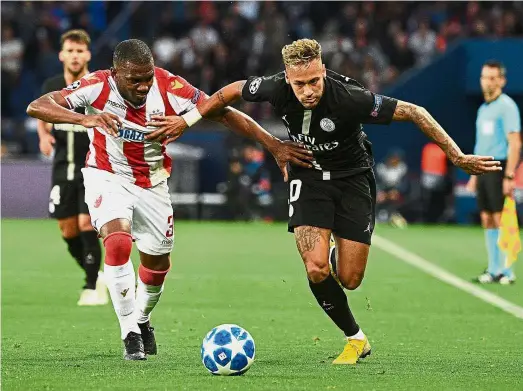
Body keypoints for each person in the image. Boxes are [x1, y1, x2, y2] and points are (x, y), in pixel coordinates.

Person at [142, 38, 501, 364]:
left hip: (353, 179)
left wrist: (457, 157)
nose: (309, 91)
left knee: (350, 278)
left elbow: (416, 112)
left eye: (314, 81)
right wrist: (187, 121)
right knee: (315, 268)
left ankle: (335, 255)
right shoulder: (274, 87)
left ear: (323, 70)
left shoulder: (350, 97)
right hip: (308, 176)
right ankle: (355, 337)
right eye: (300, 84)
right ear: (287, 77)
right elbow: (226, 94)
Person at [27, 39, 312, 361]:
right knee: (117, 242)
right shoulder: (96, 86)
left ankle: (142, 319)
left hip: (153, 184)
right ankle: (129, 333)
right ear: (116, 74)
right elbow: (38, 105)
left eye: (147, 77)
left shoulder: (169, 86)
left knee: (156, 264)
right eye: (135, 79)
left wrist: (272, 143)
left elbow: (222, 112)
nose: (144, 85)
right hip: (106, 175)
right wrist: (85, 119)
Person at [36, 29, 107, 306]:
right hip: (62, 167)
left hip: (92, 169)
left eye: (80, 51)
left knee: (85, 222)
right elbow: (42, 112)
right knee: (67, 229)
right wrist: (43, 135)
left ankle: (91, 287)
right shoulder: (52, 86)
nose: (75, 56)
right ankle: (96, 275)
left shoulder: (96, 86)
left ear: (88, 54)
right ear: (62, 54)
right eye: (71, 51)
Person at [467, 60, 521, 285]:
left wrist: (509, 176)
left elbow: (515, 142)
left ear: (501, 80)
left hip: (499, 167)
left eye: (492, 77)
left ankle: (507, 270)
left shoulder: (507, 106)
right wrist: (473, 174)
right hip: (483, 169)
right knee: (487, 218)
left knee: (501, 217)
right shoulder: (483, 109)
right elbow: (481, 145)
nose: (487, 81)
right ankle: (493, 268)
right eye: (484, 77)